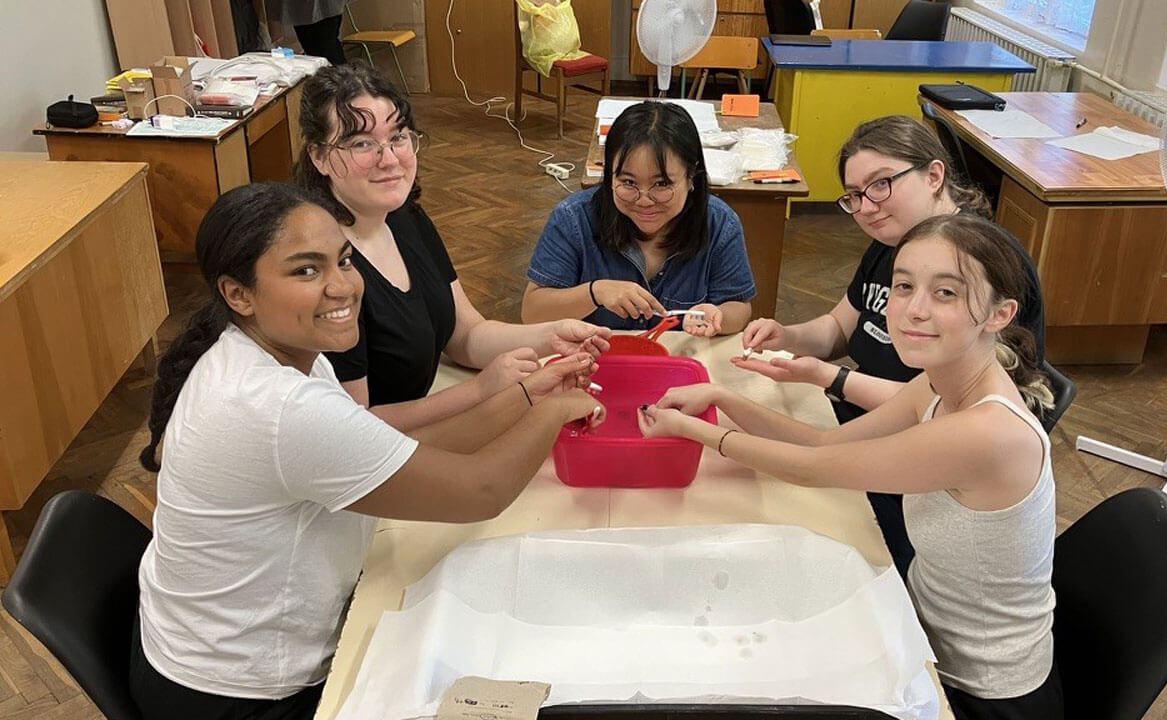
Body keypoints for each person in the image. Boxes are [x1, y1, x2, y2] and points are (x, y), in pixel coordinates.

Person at [130, 183, 603, 720]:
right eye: (306, 270)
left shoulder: (281, 355)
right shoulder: (280, 406)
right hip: (236, 694)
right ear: (239, 293)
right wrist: (555, 410)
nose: (342, 287)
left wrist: (526, 395)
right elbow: (481, 491)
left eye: (343, 261)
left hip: (201, 655)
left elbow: (390, 450)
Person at [639, 213, 1061, 719]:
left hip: (974, 692)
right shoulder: (941, 382)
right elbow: (824, 444)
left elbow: (811, 470)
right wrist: (718, 396)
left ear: (999, 314)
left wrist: (695, 430)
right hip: (922, 631)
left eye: (946, 293)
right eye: (903, 287)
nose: (913, 310)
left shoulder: (986, 433)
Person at [734, 115, 1045, 577]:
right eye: (855, 196)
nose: (867, 207)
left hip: (919, 468)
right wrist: (789, 336)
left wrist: (832, 377)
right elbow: (840, 327)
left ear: (934, 175)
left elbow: (936, 407)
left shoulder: (981, 260)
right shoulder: (894, 243)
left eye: (881, 185)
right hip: (862, 426)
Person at [296, 62, 610, 431]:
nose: (390, 158)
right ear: (319, 157)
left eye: (398, 136)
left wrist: (553, 336)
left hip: (427, 419)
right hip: (377, 458)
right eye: (362, 143)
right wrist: (480, 390)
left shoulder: (402, 217)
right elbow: (354, 426)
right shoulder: (326, 275)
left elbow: (467, 336)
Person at [521, 101, 756, 337]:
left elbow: (739, 307)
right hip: (593, 363)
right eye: (628, 182)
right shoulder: (574, 218)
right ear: (609, 175)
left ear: (691, 175)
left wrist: (717, 317)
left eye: (662, 184)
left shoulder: (719, 224)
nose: (644, 201)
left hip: (679, 363)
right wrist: (595, 292)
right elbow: (532, 313)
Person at [267, 0, 347, 67]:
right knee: (326, 49)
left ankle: (344, 82)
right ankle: (345, 81)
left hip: (312, 8)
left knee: (324, 52)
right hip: (318, 8)